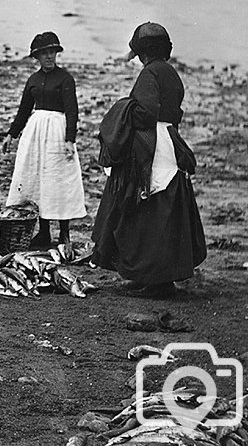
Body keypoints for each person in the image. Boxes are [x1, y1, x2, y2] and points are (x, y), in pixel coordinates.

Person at [91, 22, 206, 298]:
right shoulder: (171, 73)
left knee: (144, 209)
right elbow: (172, 111)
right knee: (165, 212)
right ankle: (157, 277)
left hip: (151, 147)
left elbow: (145, 113)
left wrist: (123, 107)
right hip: (168, 141)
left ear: (143, 53)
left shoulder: (149, 74)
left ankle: (156, 280)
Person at [2, 32, 86, 249]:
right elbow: (23, 111)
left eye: (52, 52)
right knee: (39, 178)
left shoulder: (65, 79)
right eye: (44, 53)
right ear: (37, 57)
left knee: (59, 179)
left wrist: (70, 140)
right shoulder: (33, 80)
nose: (49, 57)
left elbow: (72, 111)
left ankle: (64, 233)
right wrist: (11, 134)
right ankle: (44, 232)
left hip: (57, 132)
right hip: (36, 132)